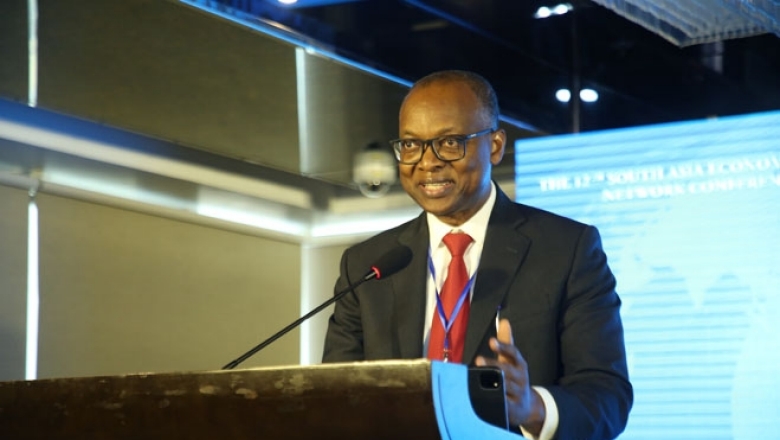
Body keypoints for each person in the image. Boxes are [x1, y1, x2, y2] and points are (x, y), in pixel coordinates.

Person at [322, 70, 632, 439]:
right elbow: (335, 398)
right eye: (410, 145)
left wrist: (532, 407)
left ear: (496, 146)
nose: (427, 162)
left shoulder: (568, 249)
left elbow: (606, 396)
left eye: (450, 142)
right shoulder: (368, 264)